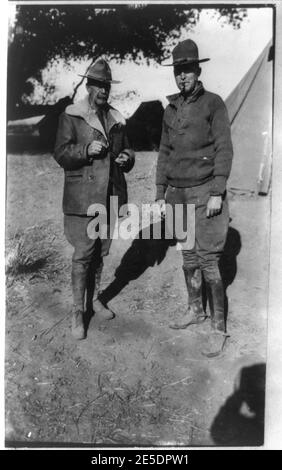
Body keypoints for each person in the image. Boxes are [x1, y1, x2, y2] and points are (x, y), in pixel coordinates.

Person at [155, 39, 233, 356]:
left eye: (187, 70)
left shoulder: (214, 104)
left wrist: (218, 190)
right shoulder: (170, 109)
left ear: (197, 70)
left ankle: (218, 327)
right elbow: (164, 153)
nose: (182, 77)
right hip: (177, 194)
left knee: (208, 259)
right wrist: (160, 194)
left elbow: (224, 149)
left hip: (205, 192)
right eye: (178, 71)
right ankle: (194, 310)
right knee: (188, 257)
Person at [54, 59, 135, 340]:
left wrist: (127, 158)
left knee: (100, 252)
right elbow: (61, 153)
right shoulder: (72, 116)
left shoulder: (115, 118)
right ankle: (78, 311)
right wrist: (87, 148)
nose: (103, 90)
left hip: (109, 194)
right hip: (84, 197)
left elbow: (127, 151)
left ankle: (94, 299)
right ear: (88, 86)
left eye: (107, 86)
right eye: (98, 85)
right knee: (83, 254)